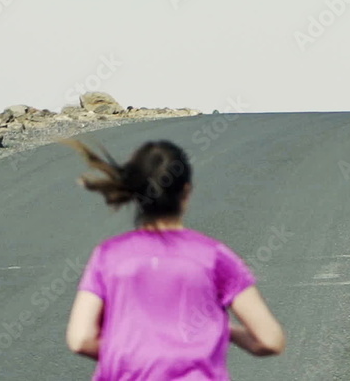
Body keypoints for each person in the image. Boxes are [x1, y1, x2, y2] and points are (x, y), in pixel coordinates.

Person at [62, 138, 286, 380]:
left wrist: (132, 356)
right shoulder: (214, 256)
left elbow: (81, 339)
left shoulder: (108, 255)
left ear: (136, 193)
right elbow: (269, 340)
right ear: (186, 191)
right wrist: (226, 331)